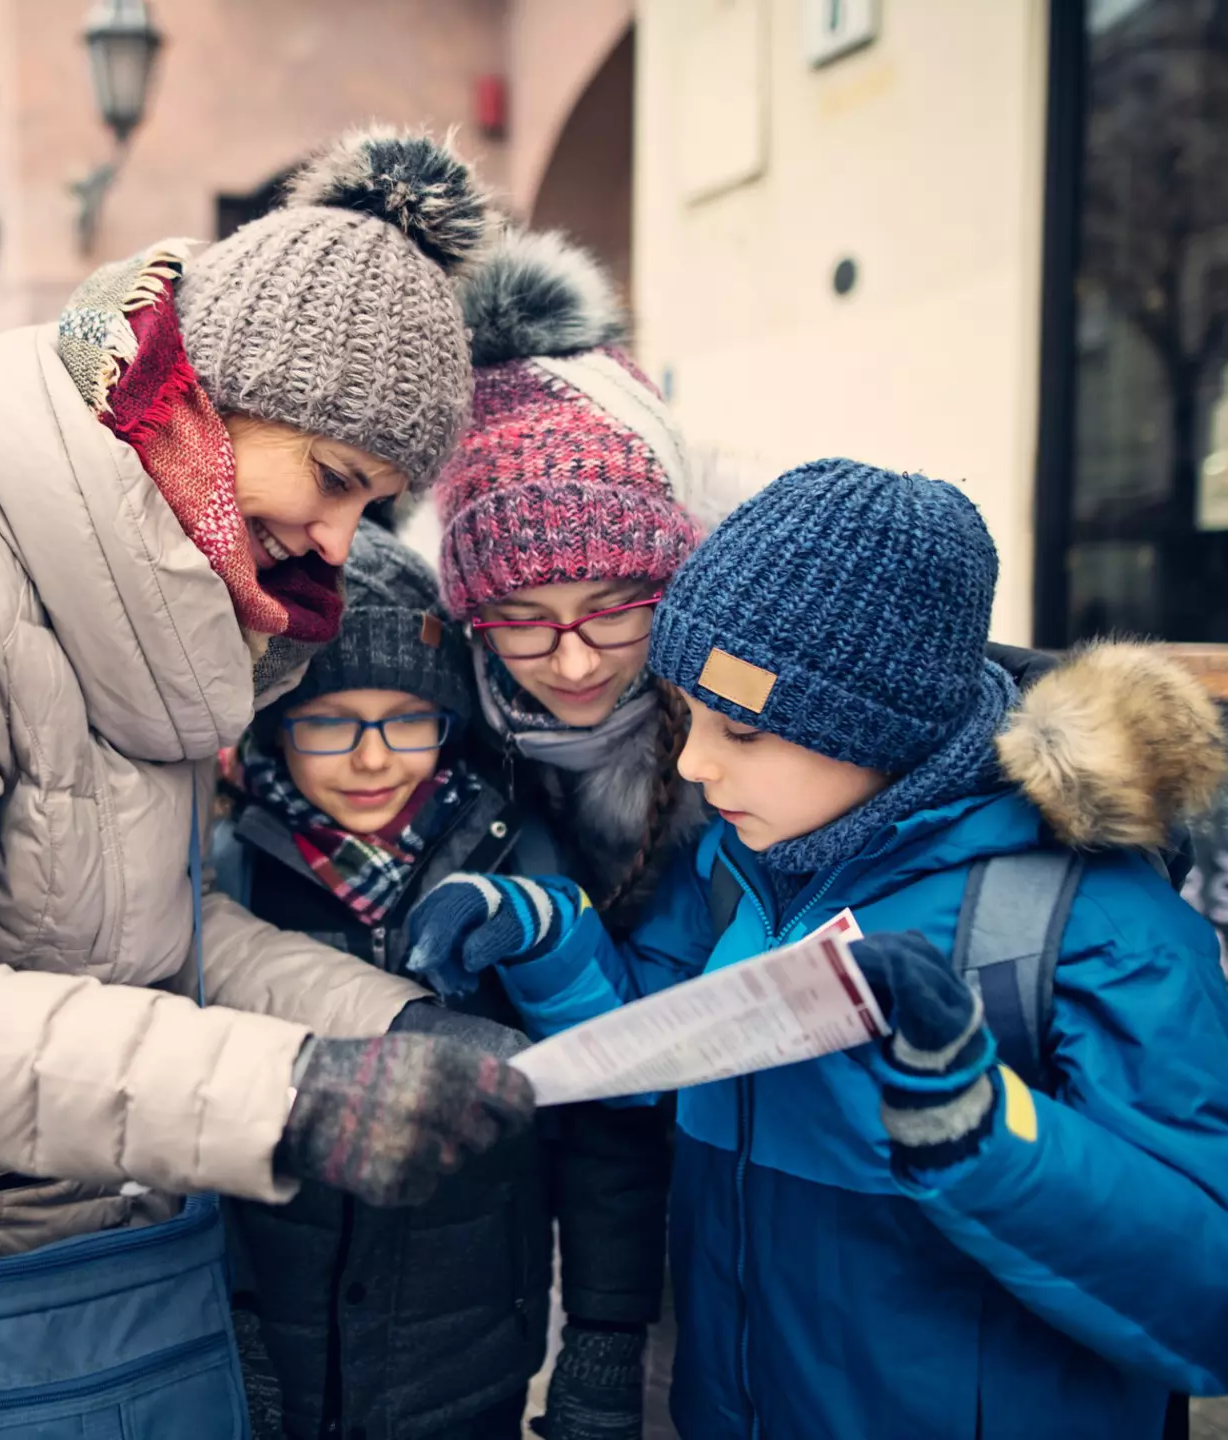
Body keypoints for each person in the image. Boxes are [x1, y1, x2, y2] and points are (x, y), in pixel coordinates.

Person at [0, 128, 535, 1440]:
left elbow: (143, 931)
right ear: (214, 392)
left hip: (76, 1278)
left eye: (377, 507)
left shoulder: (180, 601)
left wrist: (388, 1027)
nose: (338, 543)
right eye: (333, 481)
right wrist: (284, 1096)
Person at [406, 459, 1228, 1440]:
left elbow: (1203, 1309)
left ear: (875, 728)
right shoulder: (739, 867)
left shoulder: (1092, 928)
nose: (693, 765)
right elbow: (651, 1054)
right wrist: (540, 932)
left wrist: (982, 1132)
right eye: (690, 716)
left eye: (741, 731)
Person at [430, 226, 713, 1431]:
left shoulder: (746, 733)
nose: (577, 658)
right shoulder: (426, 738)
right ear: (465, 618)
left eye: (615, 606)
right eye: (525, 619)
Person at [215, 523, 580, 1440]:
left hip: (461, 1362)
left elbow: (596, 1134)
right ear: (272, 729)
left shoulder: (518, 863)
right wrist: (233, 1318)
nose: (374, 757)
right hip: (269, 1353)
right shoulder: (225, 876)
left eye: (407, 719)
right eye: (330, 722)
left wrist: (604, 1334)